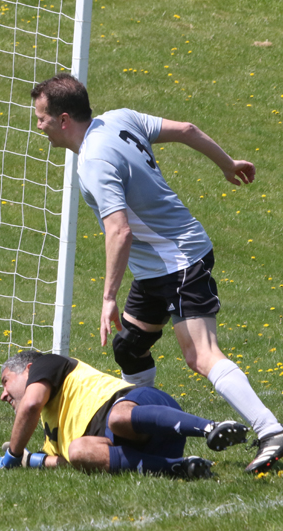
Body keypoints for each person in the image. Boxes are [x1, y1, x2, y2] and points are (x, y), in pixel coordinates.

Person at [28, 72, 283, 474]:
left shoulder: (93, 161)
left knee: (200, 355)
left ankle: (271, 430)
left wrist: (108, 296)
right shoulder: (119, 118)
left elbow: (119, 230)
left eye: (41, 117)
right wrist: (227, 164)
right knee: (129, 348)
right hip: (155, 269)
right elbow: (187, 129)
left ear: (62, 119)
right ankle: (145, 431)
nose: (38, 125)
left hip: (180, 260)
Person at [0, 350, 248, 478]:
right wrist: (31, 461)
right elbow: (66, 462)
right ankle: (179, 468)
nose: (3, 395)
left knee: (117, 419)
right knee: (78, 451)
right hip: (142, 450)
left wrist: (12, 457)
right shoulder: (49, 428)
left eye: (5, 381)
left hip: (144, 409)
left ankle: (210, 427)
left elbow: (29, 405)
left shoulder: (46, 364)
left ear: (27, 369)